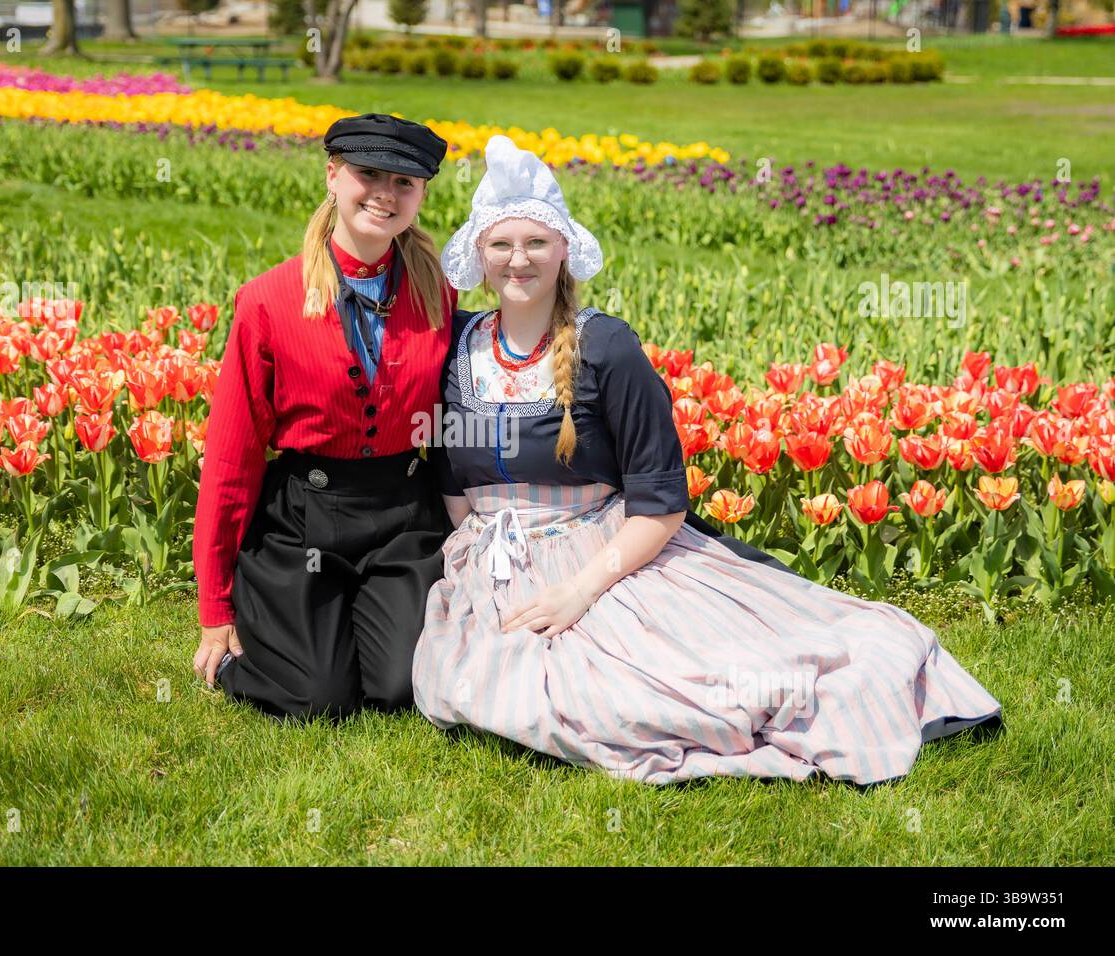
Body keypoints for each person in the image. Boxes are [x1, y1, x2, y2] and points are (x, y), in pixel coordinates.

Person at [411, 134, 1003, 786]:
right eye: (501, 244)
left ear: (564, 252)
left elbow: (660, 504)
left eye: (535, 244)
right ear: (479, 254)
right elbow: (454, 474)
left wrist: (580, 589)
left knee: (632, 697)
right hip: (492, 556)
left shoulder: (604, 347)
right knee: (456, 679)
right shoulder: (461, 345)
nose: (517, 260)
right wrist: (474, 555)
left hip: (599, 552)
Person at [193, 113, 458, 720]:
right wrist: (215, 611)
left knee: (397, 688)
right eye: (369, 174)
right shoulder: (266, 301)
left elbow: (448, 427)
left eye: (405, 183)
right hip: (304, 519)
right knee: (319, 699)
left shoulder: (436, 295)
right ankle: (280, 634)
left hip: (401, 519)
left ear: (421, 195)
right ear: (333, 175)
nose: (385, 194)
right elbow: (232, 456)